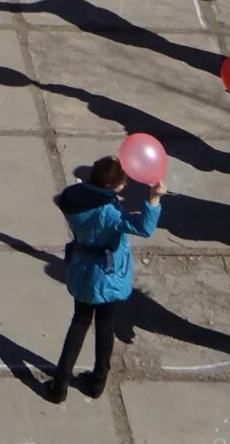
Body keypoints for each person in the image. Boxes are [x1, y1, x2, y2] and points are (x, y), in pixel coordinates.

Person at [44, 158, 159, 401]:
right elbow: (144, 228)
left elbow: (61, 200)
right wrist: (154, 199)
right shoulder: (108, 211)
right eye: (121, 182)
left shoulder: (73, 197)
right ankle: (97, 381)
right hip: (107, 276)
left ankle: (60, 384)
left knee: (79, 323)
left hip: (82, 269)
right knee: (105, 325)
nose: (125, 185)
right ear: (109, 185)